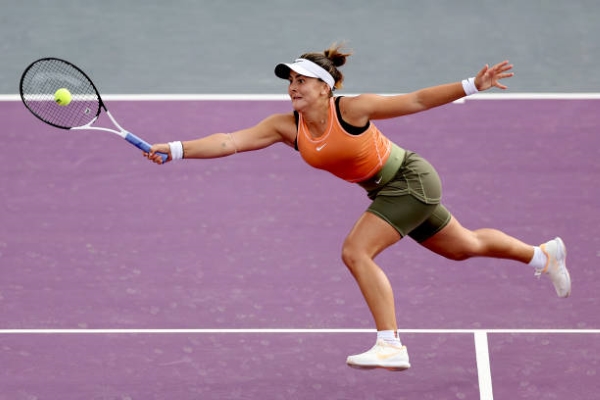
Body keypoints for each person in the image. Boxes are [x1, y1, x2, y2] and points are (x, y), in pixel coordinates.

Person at [145, 43, 571, 371]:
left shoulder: (351, 109)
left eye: (301, 81)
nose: (292, 87)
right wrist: (178, 149)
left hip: (410, 180)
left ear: (324, 88)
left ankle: (390, 344)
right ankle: (543, 255)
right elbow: (230, 141)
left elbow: (417, 100)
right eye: (289, 80)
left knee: (355, 251)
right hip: (386, 191)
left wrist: (471, 85)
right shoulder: (283, 126)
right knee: (465, 246)